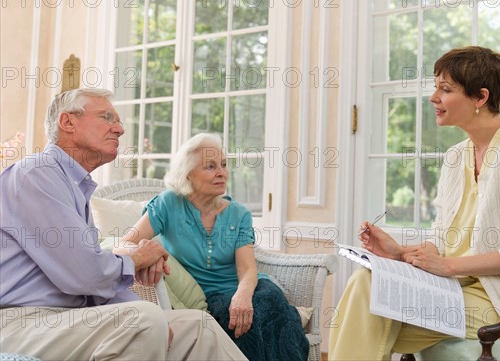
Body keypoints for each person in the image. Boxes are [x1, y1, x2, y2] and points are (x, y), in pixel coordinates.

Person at [328, 46, 500, 360]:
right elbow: (444, 239)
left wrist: (449, 266)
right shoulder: (456, 156)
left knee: (368, 316)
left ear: (480, 97)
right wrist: (400, 252)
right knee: (367, 279)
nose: (433, 97)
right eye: (435, 87)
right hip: (456, 287)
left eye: (445, 89)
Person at [0, 88, 247, 361]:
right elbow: (85, 274)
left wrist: (139, 301)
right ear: (68, 122)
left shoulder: (75, 187)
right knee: (144, 320)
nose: (119, 129)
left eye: (117, 121)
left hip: (68, 320)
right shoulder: (37, 175)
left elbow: (92, 283)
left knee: (199, 327)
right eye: (107, 117)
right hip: (21, 322)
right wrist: (136, 259)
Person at [116, 133, 309, 361]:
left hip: (249, 289)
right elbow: (122, 244)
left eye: (224, 165)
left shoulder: (239, 214)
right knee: (246, 321)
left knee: (269, 303)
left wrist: (242, 296)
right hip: (212, 296)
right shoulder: (168, 204)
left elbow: (248, 270)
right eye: (210, 166)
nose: (222, 172)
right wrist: (146, 253)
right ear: (188, 174)